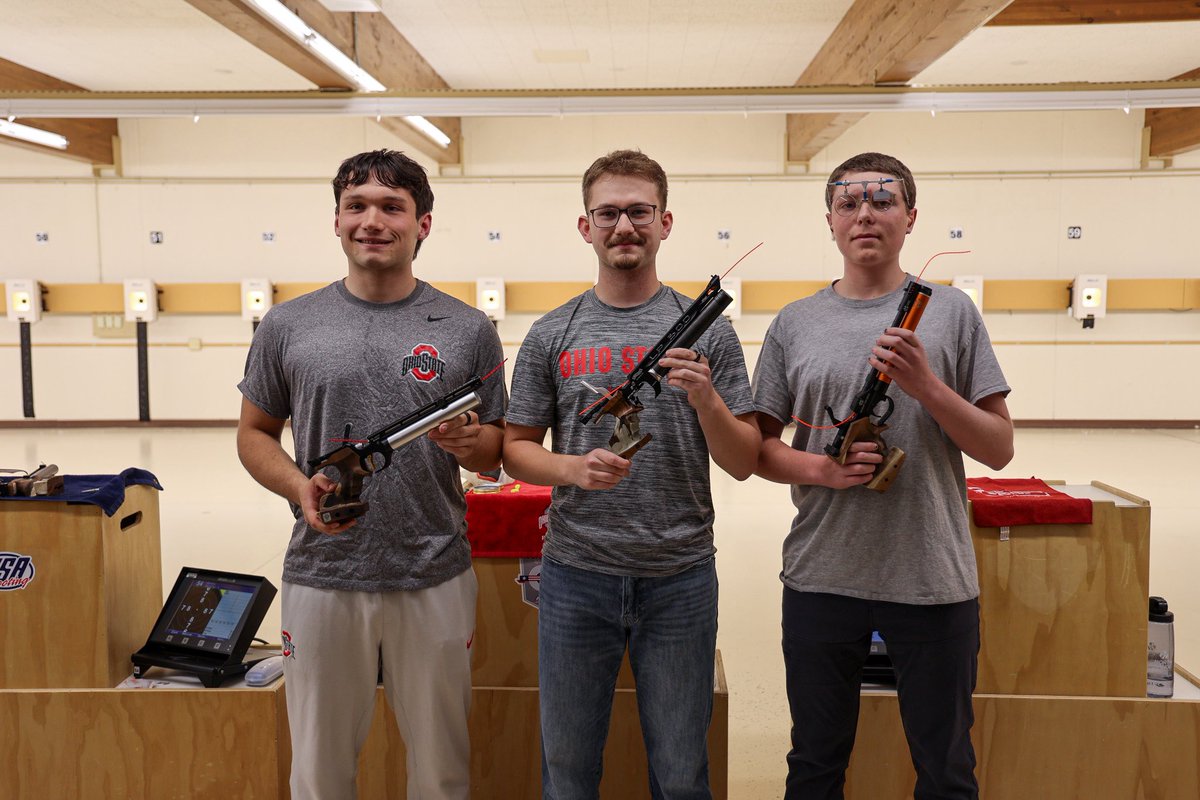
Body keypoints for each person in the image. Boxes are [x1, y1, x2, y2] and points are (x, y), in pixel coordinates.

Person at [236, 149, 506, 800]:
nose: (373, 220)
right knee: (320, 775)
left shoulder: (468, 329)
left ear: (424, 224)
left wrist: (469, 442)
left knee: (441, 773)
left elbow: (496, 450)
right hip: (322, 578)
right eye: (357, 206)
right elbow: (253, 435)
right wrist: (301, 488)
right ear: (336, 220)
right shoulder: (287, 325)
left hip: (435, 574)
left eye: (392, 206)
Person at [752, 152, 1014, 800]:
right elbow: (758, 449)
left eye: (883, 200)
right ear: (831, 221)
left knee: (946, 770)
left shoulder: (950, 314)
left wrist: (927, 385)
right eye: (849, 202)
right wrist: (823, 469)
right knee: (814, 764)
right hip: (820, 578)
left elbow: (999, 448)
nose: (865, 213)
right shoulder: (795, 323)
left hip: (932, 582)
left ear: (910, 216)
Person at [502, 149, 759, 799]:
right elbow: (515, 448)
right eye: (608, 212)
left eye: (639, 212)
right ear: (585, 227)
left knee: (681, 773)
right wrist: (574, 468)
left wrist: (705, 398)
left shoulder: (712, 335)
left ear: (665, 222)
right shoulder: (551, 332)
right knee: (567, 771)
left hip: (680, 576)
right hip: (574, 576)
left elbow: (743, 461)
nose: (625, 226)